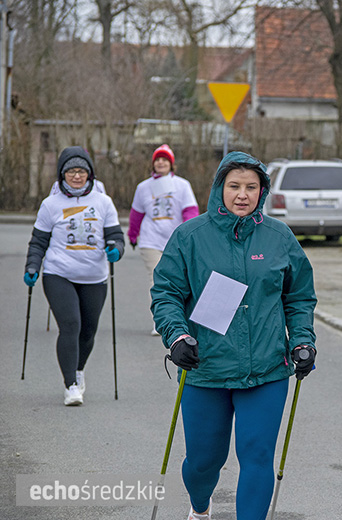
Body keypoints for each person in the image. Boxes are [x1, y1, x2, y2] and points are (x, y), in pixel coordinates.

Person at [151, 151, 317, 520]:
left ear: (262, 191)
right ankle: (199, 506)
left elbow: (300, 295)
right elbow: (166, 293)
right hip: (205, 367)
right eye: (234, 186)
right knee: (203, 462)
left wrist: (303, 340)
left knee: (257, 457)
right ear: (219, 189)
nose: (242, 195)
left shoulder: (279, 237)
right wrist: (177, 337)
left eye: (251, 187)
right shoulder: (190, 236)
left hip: (268, 370)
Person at [24, 146, 125, 406]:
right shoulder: (51, 204)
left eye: (81, 171)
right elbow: (38, 242)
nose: (77, 176)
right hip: (59, 273)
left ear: (90, 174)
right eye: (71, 171)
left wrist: (116, 249)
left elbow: (115, 236)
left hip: (94, 276)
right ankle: (70, 385)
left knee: (88, 331)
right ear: (62, 175)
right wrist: (32, 266)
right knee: (70, 325)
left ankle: (79, 369)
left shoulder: (103, 202)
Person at [128, 144, 199, 335]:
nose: (160, 162)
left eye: (164, 159)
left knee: (179, 279)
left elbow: (190, 211)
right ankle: (159, 320)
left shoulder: (182, 185)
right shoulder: (143, 187)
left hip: (175, 240)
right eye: (157, 160)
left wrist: (190, 234)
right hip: (151, 239)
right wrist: (133, 234)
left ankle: (180, 316)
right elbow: (136, 213)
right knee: (157, 278)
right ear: (153, 164)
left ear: (171, 164)